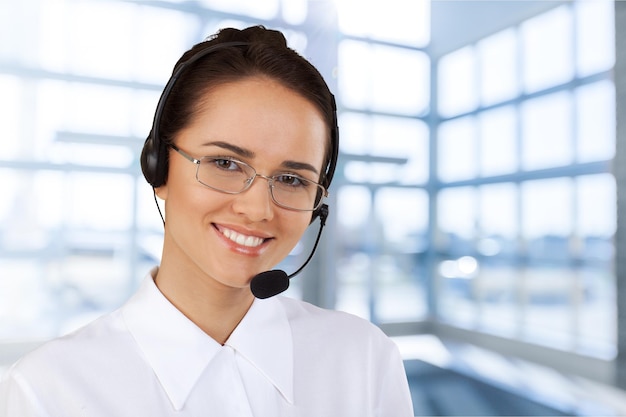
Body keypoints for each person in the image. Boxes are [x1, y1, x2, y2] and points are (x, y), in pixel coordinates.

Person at [0, 25, 414, 416]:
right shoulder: (49, 391)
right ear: (158, 169)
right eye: (225, 163)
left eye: (291, 179)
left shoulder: (363, 359)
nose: (257, 210)